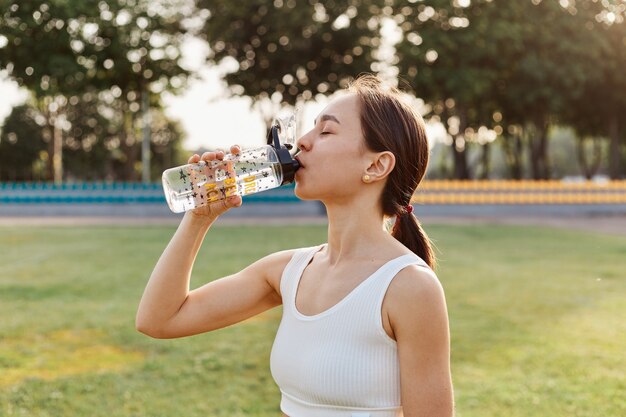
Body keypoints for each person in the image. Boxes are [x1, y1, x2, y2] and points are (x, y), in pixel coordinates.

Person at [136, 74, 454, 417]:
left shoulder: (409, 288)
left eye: (326, 131)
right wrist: (198, 219)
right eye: (310, 129)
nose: (302, 141)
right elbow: (160, 320)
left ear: (376, 165)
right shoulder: (287, 271)